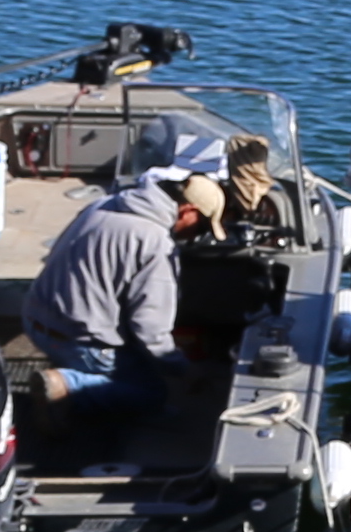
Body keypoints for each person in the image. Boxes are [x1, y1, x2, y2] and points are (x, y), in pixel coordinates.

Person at [19, 162, 210, 450]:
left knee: (135, 360)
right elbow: (150, 329)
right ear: (188, 211)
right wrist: (183, 368)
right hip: (79, 341)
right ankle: (68, 385)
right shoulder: (155, 241)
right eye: (203, 226)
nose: (197, 236)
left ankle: (74, 375)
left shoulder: (104, 203)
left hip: (34, 321)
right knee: (152, 392)